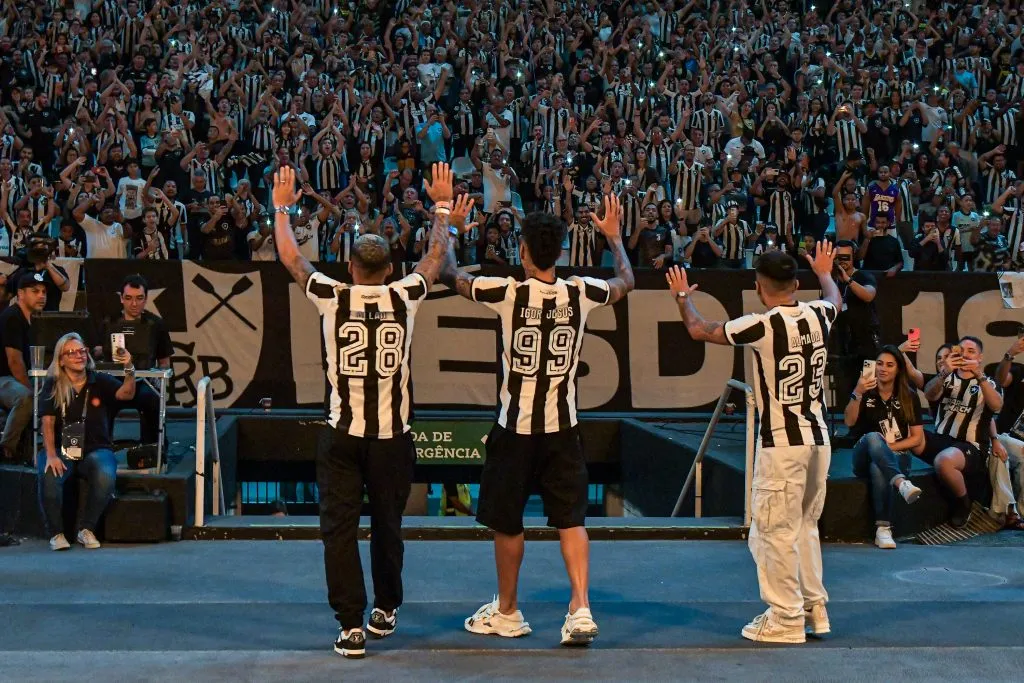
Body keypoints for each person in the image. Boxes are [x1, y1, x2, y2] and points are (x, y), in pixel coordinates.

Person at [273, 162, 468, 659]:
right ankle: (385, 607)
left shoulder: (331, 295)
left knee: (337, 530)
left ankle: (350, 624)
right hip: (392, 437)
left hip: (342, 435)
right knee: (387, 525)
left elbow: (291, 258)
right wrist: (441, 207)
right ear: (389, 271)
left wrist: (281, 206)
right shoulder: (406, 294)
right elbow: (435, 257)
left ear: (351, 269)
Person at [440, 193, 634, 646]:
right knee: (571, 518)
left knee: (507, 520)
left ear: (523, 251)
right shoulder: (582, 291)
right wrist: (614, 238)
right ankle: (580, 607)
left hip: (515, 428)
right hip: (563, 428)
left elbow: (449, 274)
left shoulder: (508, 292)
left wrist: (451, 228)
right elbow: (626, 279)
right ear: (560, 252)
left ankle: (508, 611)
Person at [665, 243, 841, 644]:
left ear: (759, 286)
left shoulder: (760, 325)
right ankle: (815, 609)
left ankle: (786, 618)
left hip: (782, 446)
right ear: (797, 283)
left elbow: (698, 329)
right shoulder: (819, 314)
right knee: (804, 528)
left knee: (773, 531)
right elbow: (834, 299)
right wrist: (826, 272)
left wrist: (682, 297)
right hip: (818, 441)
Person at [38, 333, 135, 551]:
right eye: (71, 352)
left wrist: (129, 368)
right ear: (61, 359)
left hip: (95, 447)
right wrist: (52, 455)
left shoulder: (98, 380)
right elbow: (47, 421)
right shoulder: (53, 384)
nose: (79, 356)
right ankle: (56, 533)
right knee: (50, 474)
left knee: (106, 473)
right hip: (62, 448)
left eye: (82, 351)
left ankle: (86, 529)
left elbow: (126, 394)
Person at [844, 346, 925, 549]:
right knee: (872, 437)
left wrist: (888, 447)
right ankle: (901, 483)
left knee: (878, 468)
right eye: (879, 363)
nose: (883, 369)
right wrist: (857, 393)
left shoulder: (909, 395)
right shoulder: (865, 391)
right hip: (863, 453)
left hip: (897, 457)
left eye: (889, 365)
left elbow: (916, 438)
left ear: (898, 369)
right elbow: (849, 422)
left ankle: (883, 529)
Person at [920, 337, 1003, 528]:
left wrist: (979, 376)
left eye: (971, 351)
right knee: (909, 434)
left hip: (970, 447)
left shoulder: (988, 382)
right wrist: (943, 373)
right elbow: (929, 395)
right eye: (962, 350)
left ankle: (963, 503)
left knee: (943, 461)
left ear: (980, 357)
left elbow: (996, 406)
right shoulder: (947, 377)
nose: (965, 354)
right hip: (942, 439)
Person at [93, 275, 172, 448]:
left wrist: (160, 380)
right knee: (97, 399)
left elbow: (164, 361)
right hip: (113, 381)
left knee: (153, 399)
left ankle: (152, 449)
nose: (134, 304)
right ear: (121, 298)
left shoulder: (156, 324)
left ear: (146, 299)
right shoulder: (108, 322)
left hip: (143, 382)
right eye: (128, 298)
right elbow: (95, 353)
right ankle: (100, 448)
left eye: (139, 298)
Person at [0, 271, 47, 461]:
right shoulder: (12, 317)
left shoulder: (36, 320)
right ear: (20, 294)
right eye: (35, 291)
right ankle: (6, 448)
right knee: (27, 397)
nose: (41, 296)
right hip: (4, 378)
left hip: (23, 377)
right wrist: (34, 389)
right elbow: (14, 361)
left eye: (44, 291)